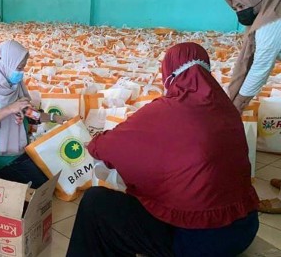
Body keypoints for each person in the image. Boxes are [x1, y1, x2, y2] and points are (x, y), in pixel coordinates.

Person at [66, 43, 259, 257]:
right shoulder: (227, 109)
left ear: (169, 73)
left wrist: (90, 142)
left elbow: (103, 147)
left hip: (202, 241)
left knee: (96, 203)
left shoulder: (167, 109)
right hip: (245, 228)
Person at [0, 40, 68, 189]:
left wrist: (55, 118)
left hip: (19, 147)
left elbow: (27, 112)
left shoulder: (12, 85)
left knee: (53, 171)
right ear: (6, 64)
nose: (21, 73)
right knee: (43, 185)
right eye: (19, 67)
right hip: (0, 156)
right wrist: (9, 109)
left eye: (22, 67)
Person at [225, 0, 281, 214]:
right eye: (235, 7)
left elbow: (260, 67)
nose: (239, 11)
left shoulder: (273, 19)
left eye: (241, 5)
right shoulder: (266, 12)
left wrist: (238, 103)